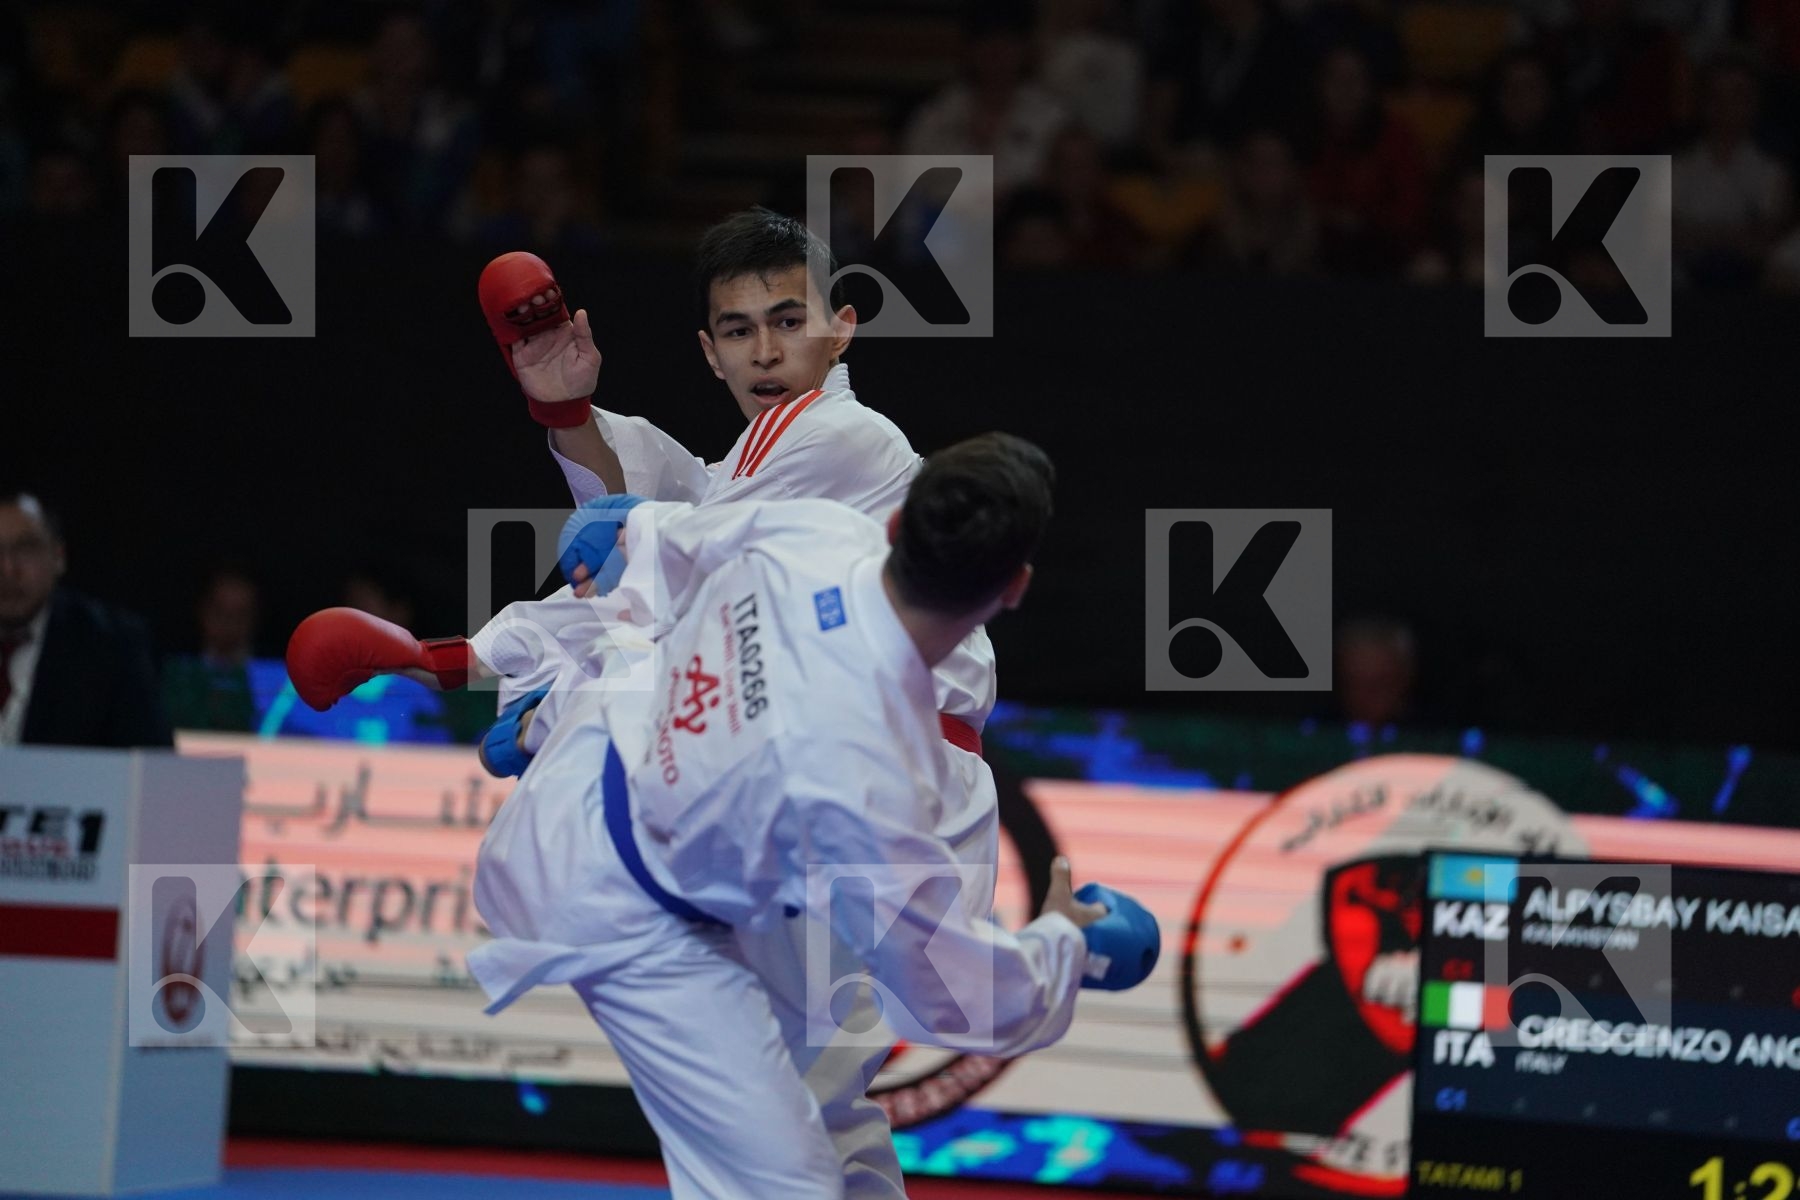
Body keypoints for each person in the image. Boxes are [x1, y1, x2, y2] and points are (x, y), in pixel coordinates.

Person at [286, 210, 1008, 1198]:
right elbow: (669, 503)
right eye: (740, 330)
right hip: (823, 782)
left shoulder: (839, 434)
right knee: (812, 1102)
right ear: (709, 353)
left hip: (871, 784)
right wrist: (567, 415)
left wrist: (463, 668)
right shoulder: (749, 466)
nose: (765, 350)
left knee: (775, 1108)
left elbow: (662, 573)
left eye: (788, 321)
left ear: (842, 328)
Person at [463, 435, 1159, 1197]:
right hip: (622, 910)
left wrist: (623, 526)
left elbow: (652, 539)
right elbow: (940, 995)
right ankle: (554, 709)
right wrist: (1065, 942)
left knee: (828, 1113)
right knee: (790, 1188)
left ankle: (554, 709)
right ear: (1015, 588)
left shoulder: (818, 531)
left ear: (895, 526)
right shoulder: (880, 776)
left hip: (598, 777)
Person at [0, 493, 172, 749]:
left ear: (58, 556)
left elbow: (153, 762)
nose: (8, 569)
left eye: (26, 549)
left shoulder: (112, 646)